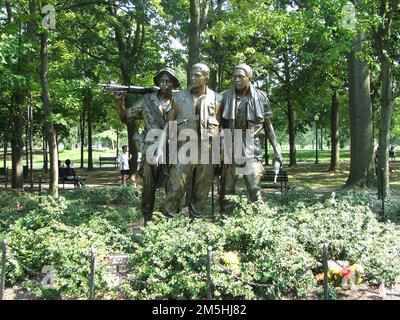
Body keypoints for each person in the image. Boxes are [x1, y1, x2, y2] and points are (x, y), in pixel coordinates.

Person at [116, 68, 180, 225]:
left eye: (169, 81)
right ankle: (147, 219)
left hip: (174, 150)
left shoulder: (180, 100)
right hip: (151, 150)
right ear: (157, 82)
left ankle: (172, 222)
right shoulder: (146, 100)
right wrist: (119, 102)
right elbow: (125, 117)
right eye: (162, 80)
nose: (165, 83)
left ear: (174, 84)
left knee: (175, 187)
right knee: (148, 187)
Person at [157, 63, 223, 219]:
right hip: (184, 149)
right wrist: (160, 148)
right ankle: (166, 221)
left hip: (207, 151)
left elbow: (221, 127)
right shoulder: (178, 97)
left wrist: (221, 151)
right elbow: (169, 124)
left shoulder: (217, 98)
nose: (192, 78)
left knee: (201, 192)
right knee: (175, 188)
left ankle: (196, 224)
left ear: (206, 77)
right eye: (191, 75)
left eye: (196, 75)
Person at [219, 64, 282, 214]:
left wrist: (277, 149)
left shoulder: (261, 97)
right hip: (230, 145)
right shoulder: (224, 96)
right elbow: (219, 125)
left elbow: (268, 126)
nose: (237, 79)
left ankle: (257, 219)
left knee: (253, 186)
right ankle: (225, 219)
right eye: (234, 76)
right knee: (227, 189)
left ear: (249, 77)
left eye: (241, 76)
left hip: (252, 147)